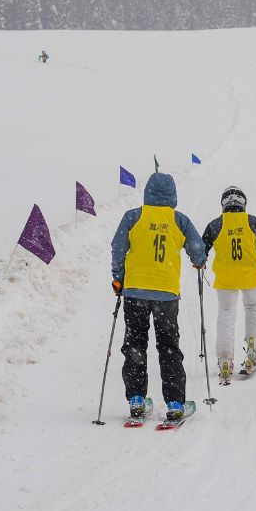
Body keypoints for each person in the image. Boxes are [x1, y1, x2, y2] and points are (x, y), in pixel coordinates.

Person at [111, 172, 207, 421]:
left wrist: (118, 277)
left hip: (135, 291)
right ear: (173, 195)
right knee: (168, 347)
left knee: (134, 345)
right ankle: (175, 404)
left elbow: (118, 247)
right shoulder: (179, 220)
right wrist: (199, 261)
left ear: (147, 192)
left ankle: (136, 400)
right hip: (166, 294)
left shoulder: (133, 217)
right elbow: (197, 248)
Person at [201, 186, 256, 381]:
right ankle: (253, 350)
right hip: (250, 277)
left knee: (226, 314)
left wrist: (200, 262)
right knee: (253, 307)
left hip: (226, 278)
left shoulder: (215, 224)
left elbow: (201, 249)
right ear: (243, 203)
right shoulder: (253, 222)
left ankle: (224, 359)